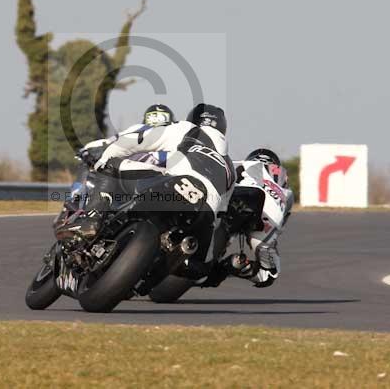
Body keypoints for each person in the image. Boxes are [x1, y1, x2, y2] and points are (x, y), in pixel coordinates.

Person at [89, 103, 236, 276]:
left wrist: (107, 154)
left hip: (173, 185)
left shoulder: (187, 129)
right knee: (197, 268)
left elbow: (141, 140)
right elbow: (220, 215)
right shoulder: (231, 168)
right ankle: (161, 269)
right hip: (205, 214)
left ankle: (93, 217)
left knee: (109, 163)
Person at [204, 148, 294, 288]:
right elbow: (283, 215)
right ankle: (232, 265)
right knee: (266, 275)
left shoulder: (234, 164)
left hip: (228, 198)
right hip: (263, 212)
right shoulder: (280, 177)